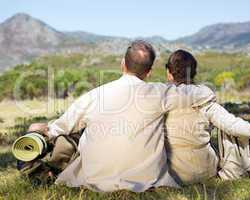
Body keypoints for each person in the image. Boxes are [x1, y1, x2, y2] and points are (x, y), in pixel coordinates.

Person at [28, 41, 218, 192]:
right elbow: (203, 93)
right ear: (149, 72)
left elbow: (60, 127)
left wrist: (44, 129)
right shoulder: (159, 93)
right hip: (146, 178)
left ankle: (40, 170)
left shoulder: (95, 95)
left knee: (67, 135)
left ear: (122, 64)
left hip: (96, 177)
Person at [164, 50, 250, 185]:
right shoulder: (205, 100)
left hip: (172, 173)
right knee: (228, 128)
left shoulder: (159, 101)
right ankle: (231, 172)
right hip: (205, 172)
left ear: (169, 72)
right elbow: (245, 131)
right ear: (194, 73)